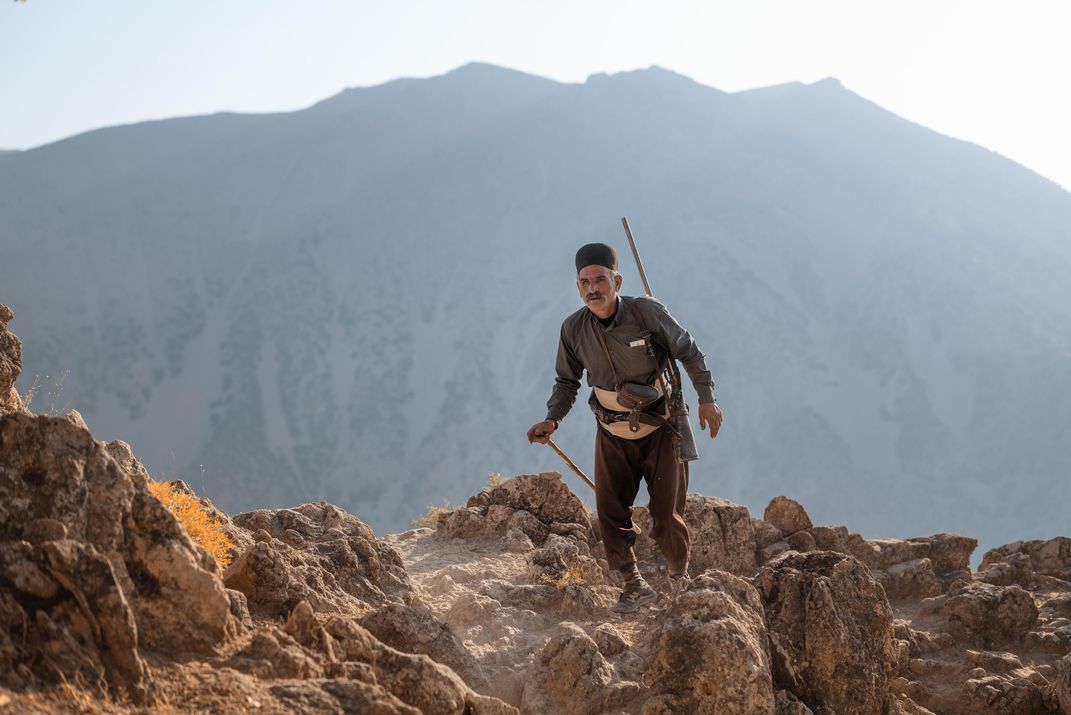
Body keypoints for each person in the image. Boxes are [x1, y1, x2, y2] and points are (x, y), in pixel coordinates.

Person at [527, 242, 722, 613]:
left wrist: (706, 398)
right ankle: (634, 586)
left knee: (667, 515)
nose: (592, 289)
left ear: (616, 280)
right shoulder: (573, 329)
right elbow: (567, 383)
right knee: (610, 511)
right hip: (612, 432)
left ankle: (680, 580)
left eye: (600, 280)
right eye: (584, 282)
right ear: (577, 286)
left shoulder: (646, 313)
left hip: (662, 427)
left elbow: (689, 351)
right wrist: (552, 419)